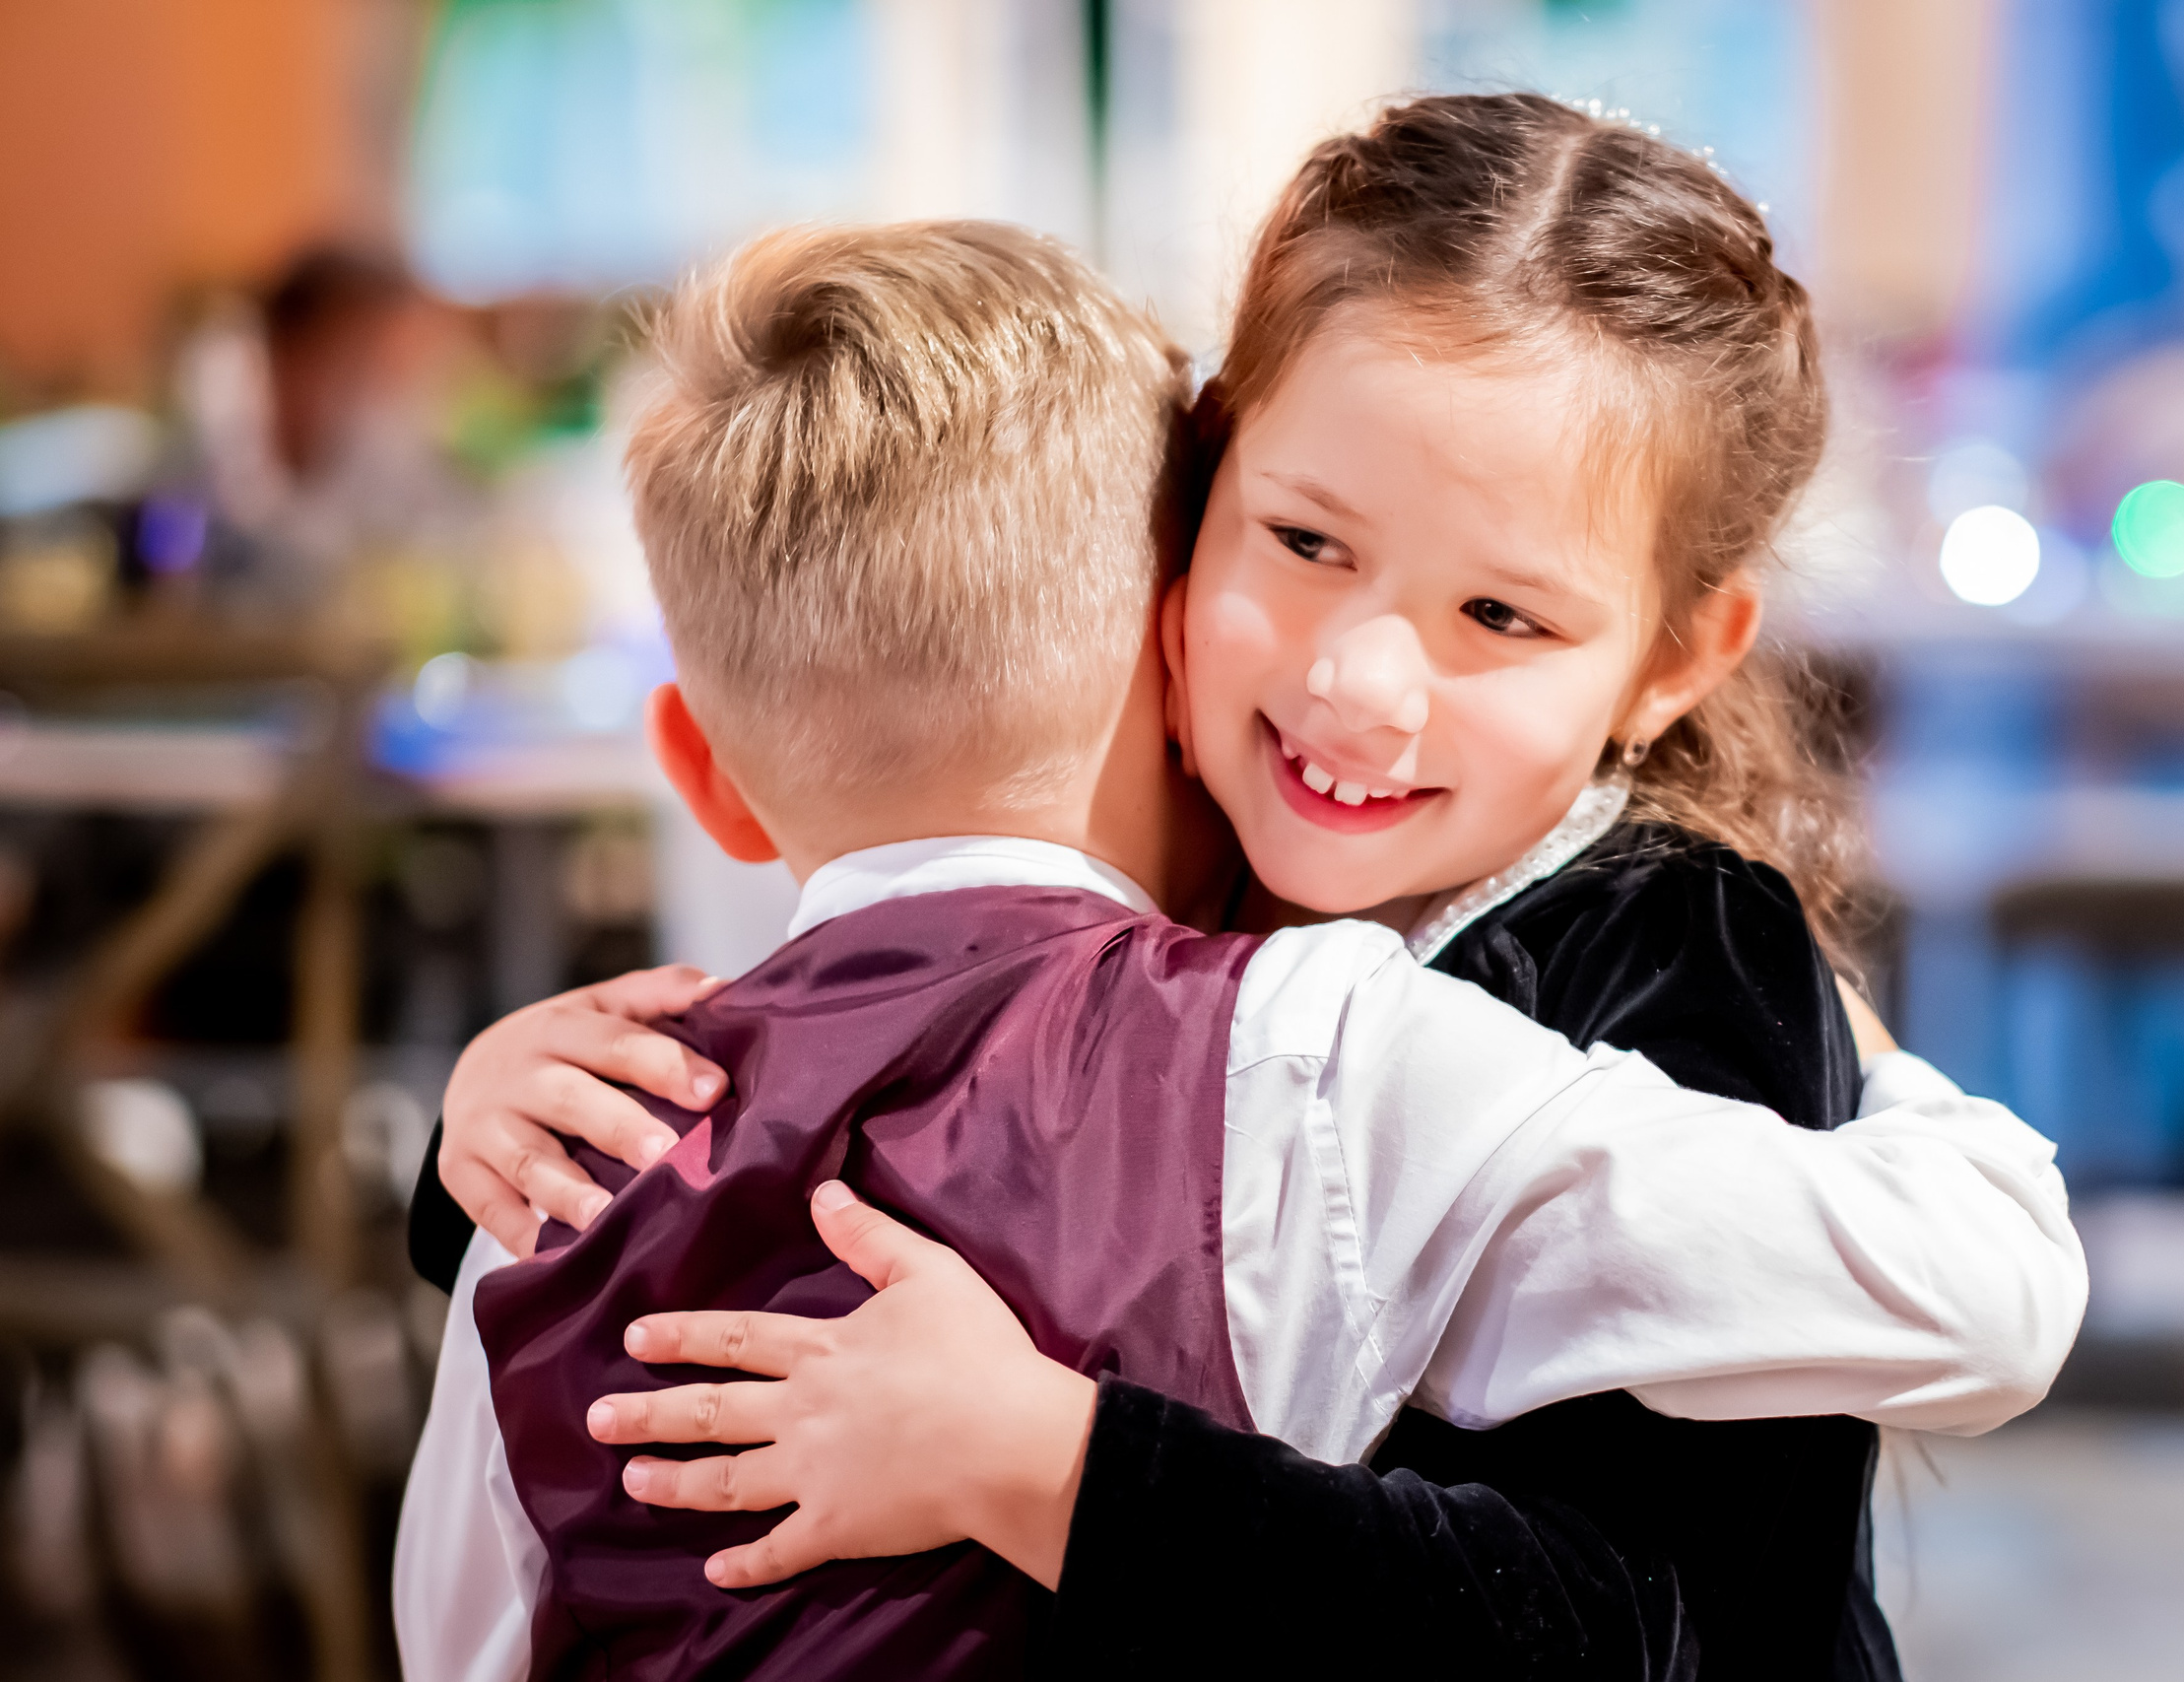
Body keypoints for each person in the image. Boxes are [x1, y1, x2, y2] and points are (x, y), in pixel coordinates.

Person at [397, 154, 2081, 1682]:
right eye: (1304, 540)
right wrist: (495, 1142)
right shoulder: (1203, 862)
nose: (1356, 686)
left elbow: (1644, 1627)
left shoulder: (1660, 953)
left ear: (1671, 662)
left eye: (1502, 612)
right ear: (1175, 549)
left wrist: (1056, 1465)